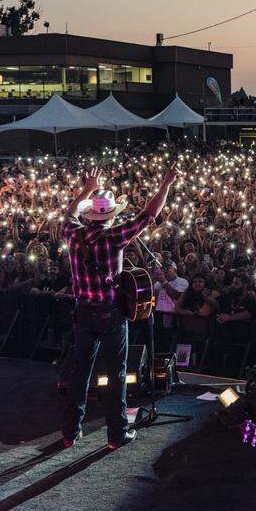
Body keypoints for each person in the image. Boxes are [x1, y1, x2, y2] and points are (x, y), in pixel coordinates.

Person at [60, 166, 176, 450]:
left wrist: (87, 188)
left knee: (80, 372)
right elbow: (150, 215)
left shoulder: (72, 235)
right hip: (110, 314)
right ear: (110, 216)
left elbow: (68, 215)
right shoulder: (114, 238)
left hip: (82, 313)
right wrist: (166, 183)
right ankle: (116, 434)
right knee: (116, 373)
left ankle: (70, 432)